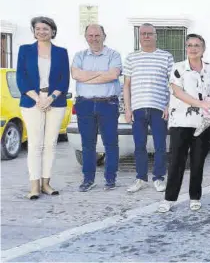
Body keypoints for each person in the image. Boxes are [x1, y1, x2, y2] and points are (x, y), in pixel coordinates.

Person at [157, 34, 210, 213]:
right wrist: (201, 104)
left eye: (197, 45)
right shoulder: (178, 68)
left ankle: (195, 197)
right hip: (181, 122)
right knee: (176, 162)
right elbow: (177, 92)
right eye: (189, 45)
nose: (193, 48)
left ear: (203, 49)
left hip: (204, 123)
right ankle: (169, 199)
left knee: (198, 161)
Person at [16, 16, 69, 199]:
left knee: (50, 144)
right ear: (34, 31)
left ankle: (46, 183)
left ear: (52, 31)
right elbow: (21, 78)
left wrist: (50, 98)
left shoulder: (61, 52)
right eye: (37, 29)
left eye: (45, 29)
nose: (41, 32)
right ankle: (34, 186)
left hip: (55, 101)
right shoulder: (25, 50)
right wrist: (39, 99)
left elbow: (64, 80)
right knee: (35, 144)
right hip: (32, 101)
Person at [123, 23, 174, 193]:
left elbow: (172, 84)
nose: (146, 36)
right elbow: (127, 85)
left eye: (149, 33)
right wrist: (127, 109)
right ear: (139, 36)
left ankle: (159, 178)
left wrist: (168, 105)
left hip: (158, 107)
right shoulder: (131, 58)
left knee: (160, 145)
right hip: (137, 108)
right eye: (143, 33)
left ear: (155, 35)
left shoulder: (166, 57)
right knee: (139, 146)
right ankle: (141, 178)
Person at [72, 24, 122, 191]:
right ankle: (88, 179)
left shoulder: (114, 55)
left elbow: (113, 75)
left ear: (104, 36)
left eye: (97, 35)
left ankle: (110, 179)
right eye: (90, 35)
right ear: (86, 37)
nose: (94, 38)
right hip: (84, 104)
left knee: (111, 143)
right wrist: (102, 74)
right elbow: (75, 75)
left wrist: (86, 77)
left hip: (108, 103)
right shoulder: (79, 56)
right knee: (87, 144)